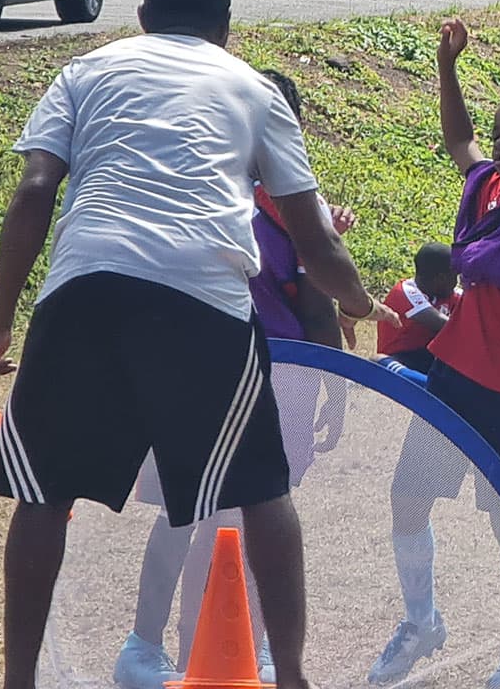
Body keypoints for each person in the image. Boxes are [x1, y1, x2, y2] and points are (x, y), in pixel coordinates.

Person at [0, 0, 399, 689]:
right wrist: (362, 304)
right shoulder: (255, 89)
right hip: (201, 296)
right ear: (227, 27)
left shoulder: (87, 71)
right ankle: (289, 675)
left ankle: (17, 683)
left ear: (141, 18)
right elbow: (313, 237)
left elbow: (35, 190)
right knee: (263, 489)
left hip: (82, 289)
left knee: (42, 495)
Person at [114, 70, 353, 689]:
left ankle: (256, 647)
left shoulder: (297, 205)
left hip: (283, 379)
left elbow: (318, 304)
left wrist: (338, 384)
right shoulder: (184, 187)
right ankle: (143, 645)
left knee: (256, 516)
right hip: (195, 371)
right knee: (177, 511)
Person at [368, 18, 500, 689]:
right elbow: (457, 139)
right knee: (408, 500)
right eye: (499, 132)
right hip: (452, 375)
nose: (499, 141)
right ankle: (421, 621)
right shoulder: (489, 189)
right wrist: (445, 67)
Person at [375, 242, 460, 375]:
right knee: (379, 361)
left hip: (428, 358)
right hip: (401, 358)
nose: (456, 282)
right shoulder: (405, 292)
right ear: (441, 278)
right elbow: (442, 324)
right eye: (455, 276)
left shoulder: (449, 293)